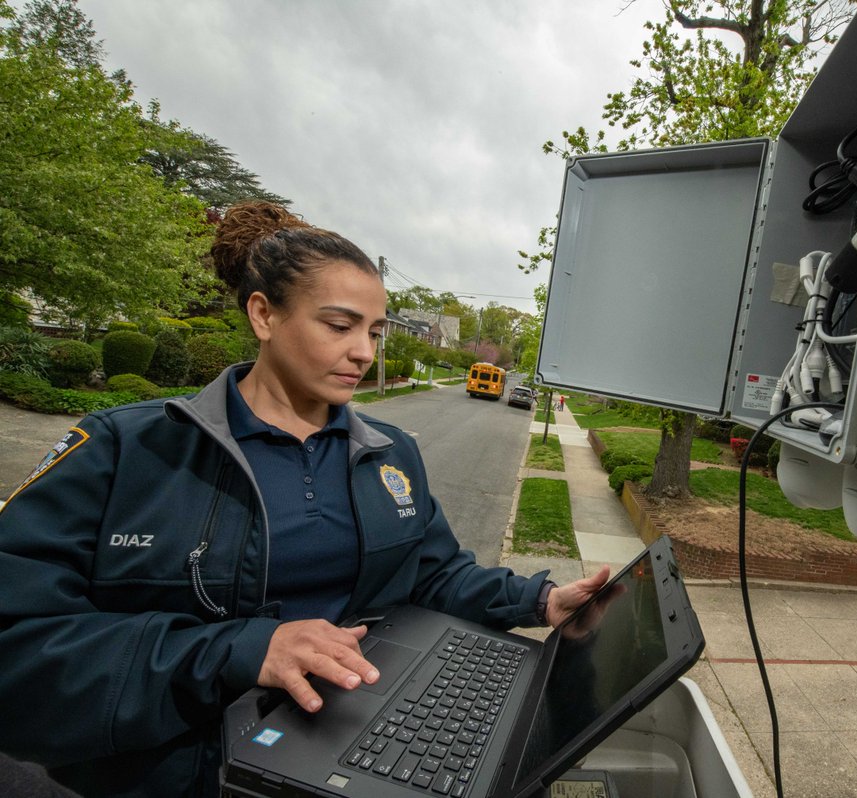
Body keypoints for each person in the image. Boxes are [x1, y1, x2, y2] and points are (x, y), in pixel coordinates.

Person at [0, 202, 609, 798]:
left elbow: (434, 573)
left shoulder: (391, 452)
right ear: (263, 315)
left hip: (344, 747)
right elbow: (21, 647)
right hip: (169, 770)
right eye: (340, 326)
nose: (365, 353)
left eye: (374, 331)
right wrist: (240, 650)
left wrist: (541, 599)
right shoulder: (125, 447)